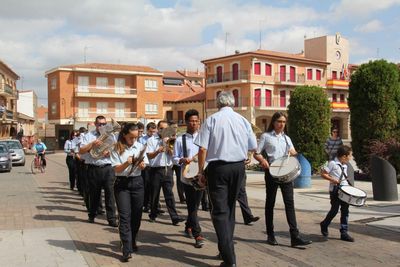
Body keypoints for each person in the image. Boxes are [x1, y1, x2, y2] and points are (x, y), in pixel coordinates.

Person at [195, 91, 257, 267]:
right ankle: (224, 250)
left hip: (218, 168)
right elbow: (253, 146)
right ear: (233, 103)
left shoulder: (212, 120)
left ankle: (230, 260)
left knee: (220, 212)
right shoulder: (243, 120)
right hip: (238, 167)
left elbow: (202, 149)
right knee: (230, 210)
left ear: (218, 103)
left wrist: (201, 172)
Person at [253, 112, 312, 247]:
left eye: (284, 122)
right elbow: (256, 153)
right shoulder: (266, 137)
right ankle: (270, 234)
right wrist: (262, 160)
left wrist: (300, 156)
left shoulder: (287, 138)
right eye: (279, 121)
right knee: (270, 203)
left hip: (286, 173)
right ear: (273, 122)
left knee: (289, 203)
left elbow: (293, 152)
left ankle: (295, 236)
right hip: (272, 173)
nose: (281, 124)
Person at [110, 123, 148, 262]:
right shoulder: (116, 147)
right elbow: (116, 170)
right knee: (124, 216)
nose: (134, 140)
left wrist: (142, 165)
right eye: (131, 137)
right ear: (125, 135)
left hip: (137, 182)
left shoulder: (140, 146)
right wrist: (128, 162)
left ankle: (132, 240)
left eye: (136, 137)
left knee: (137, 216)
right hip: (122, 184)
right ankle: (126, 248)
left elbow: (144, 164)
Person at [173, 109, 205, 248]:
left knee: (195, 206)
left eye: (196, 121)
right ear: (186, 122)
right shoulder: (181, 139)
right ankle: (198, 235)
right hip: (187, 177)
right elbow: (174, 158)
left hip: (200, 176)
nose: (194, 123)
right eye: (191, 121)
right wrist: (181, 159)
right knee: (192, 206)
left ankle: (188, 226)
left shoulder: (204, 138)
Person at [79, 116, 117, 227]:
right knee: (94, 194)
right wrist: (92, 144)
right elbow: (81, 151)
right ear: (95, 124)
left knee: (110, 195)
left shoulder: (111, 136)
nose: (102, 126)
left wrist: (110, 152)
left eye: (104, 124)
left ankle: (112, 219)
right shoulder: (88, 136)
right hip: (93, 168)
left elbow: (116, 149)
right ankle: (92, 214)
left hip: (108, 168)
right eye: (100, 124)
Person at [146, 120, 184, 225]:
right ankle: (153, 214)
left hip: (168, 169)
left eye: (165, 129)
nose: (163, 130)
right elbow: (149, 156)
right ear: (158, 129)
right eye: (161, 128)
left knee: (169, 194)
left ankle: (174, 217)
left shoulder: (171, 140)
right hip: (156, 170)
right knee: (154, 194)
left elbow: (173, 155)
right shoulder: (151, 140)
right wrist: (158, 151)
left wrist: (169, 147)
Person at [320, 145, 354, 242]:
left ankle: (344, 232)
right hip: (335, 190)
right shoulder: (332, 163)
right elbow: (323, 174)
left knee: (345, 210)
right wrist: (332, 180)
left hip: (345, 190)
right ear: (344, 156)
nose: (350, 158)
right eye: (350, 156)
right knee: (334, 210)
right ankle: (324, 224)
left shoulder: (345, 165)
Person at [139, 122, 157, 213]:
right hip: (147, 166)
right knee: (146, 186)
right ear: (147, 130)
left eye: (154, 131)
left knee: (154, 187)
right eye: (150, 132)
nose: (152, 133)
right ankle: (145, 204)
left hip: (155, 165)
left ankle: (153, 205)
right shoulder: (142, 139)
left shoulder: (157, 139)